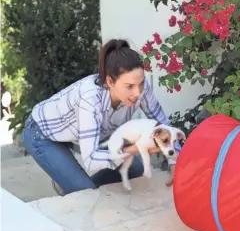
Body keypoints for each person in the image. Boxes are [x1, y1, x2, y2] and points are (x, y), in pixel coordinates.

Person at [22, 38, 178, 196]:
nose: (138, 93)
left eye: (141, 83)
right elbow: (91, 159)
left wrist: (174, 162)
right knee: (87, 194)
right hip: (42, 133)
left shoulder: (140, 88)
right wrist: (137, 147)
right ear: (110, 82)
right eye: (129, 86)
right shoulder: (90, 99)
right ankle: (71, 181)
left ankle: (71, 182)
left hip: (79, 131)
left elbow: (163, 125)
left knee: (135, 169)